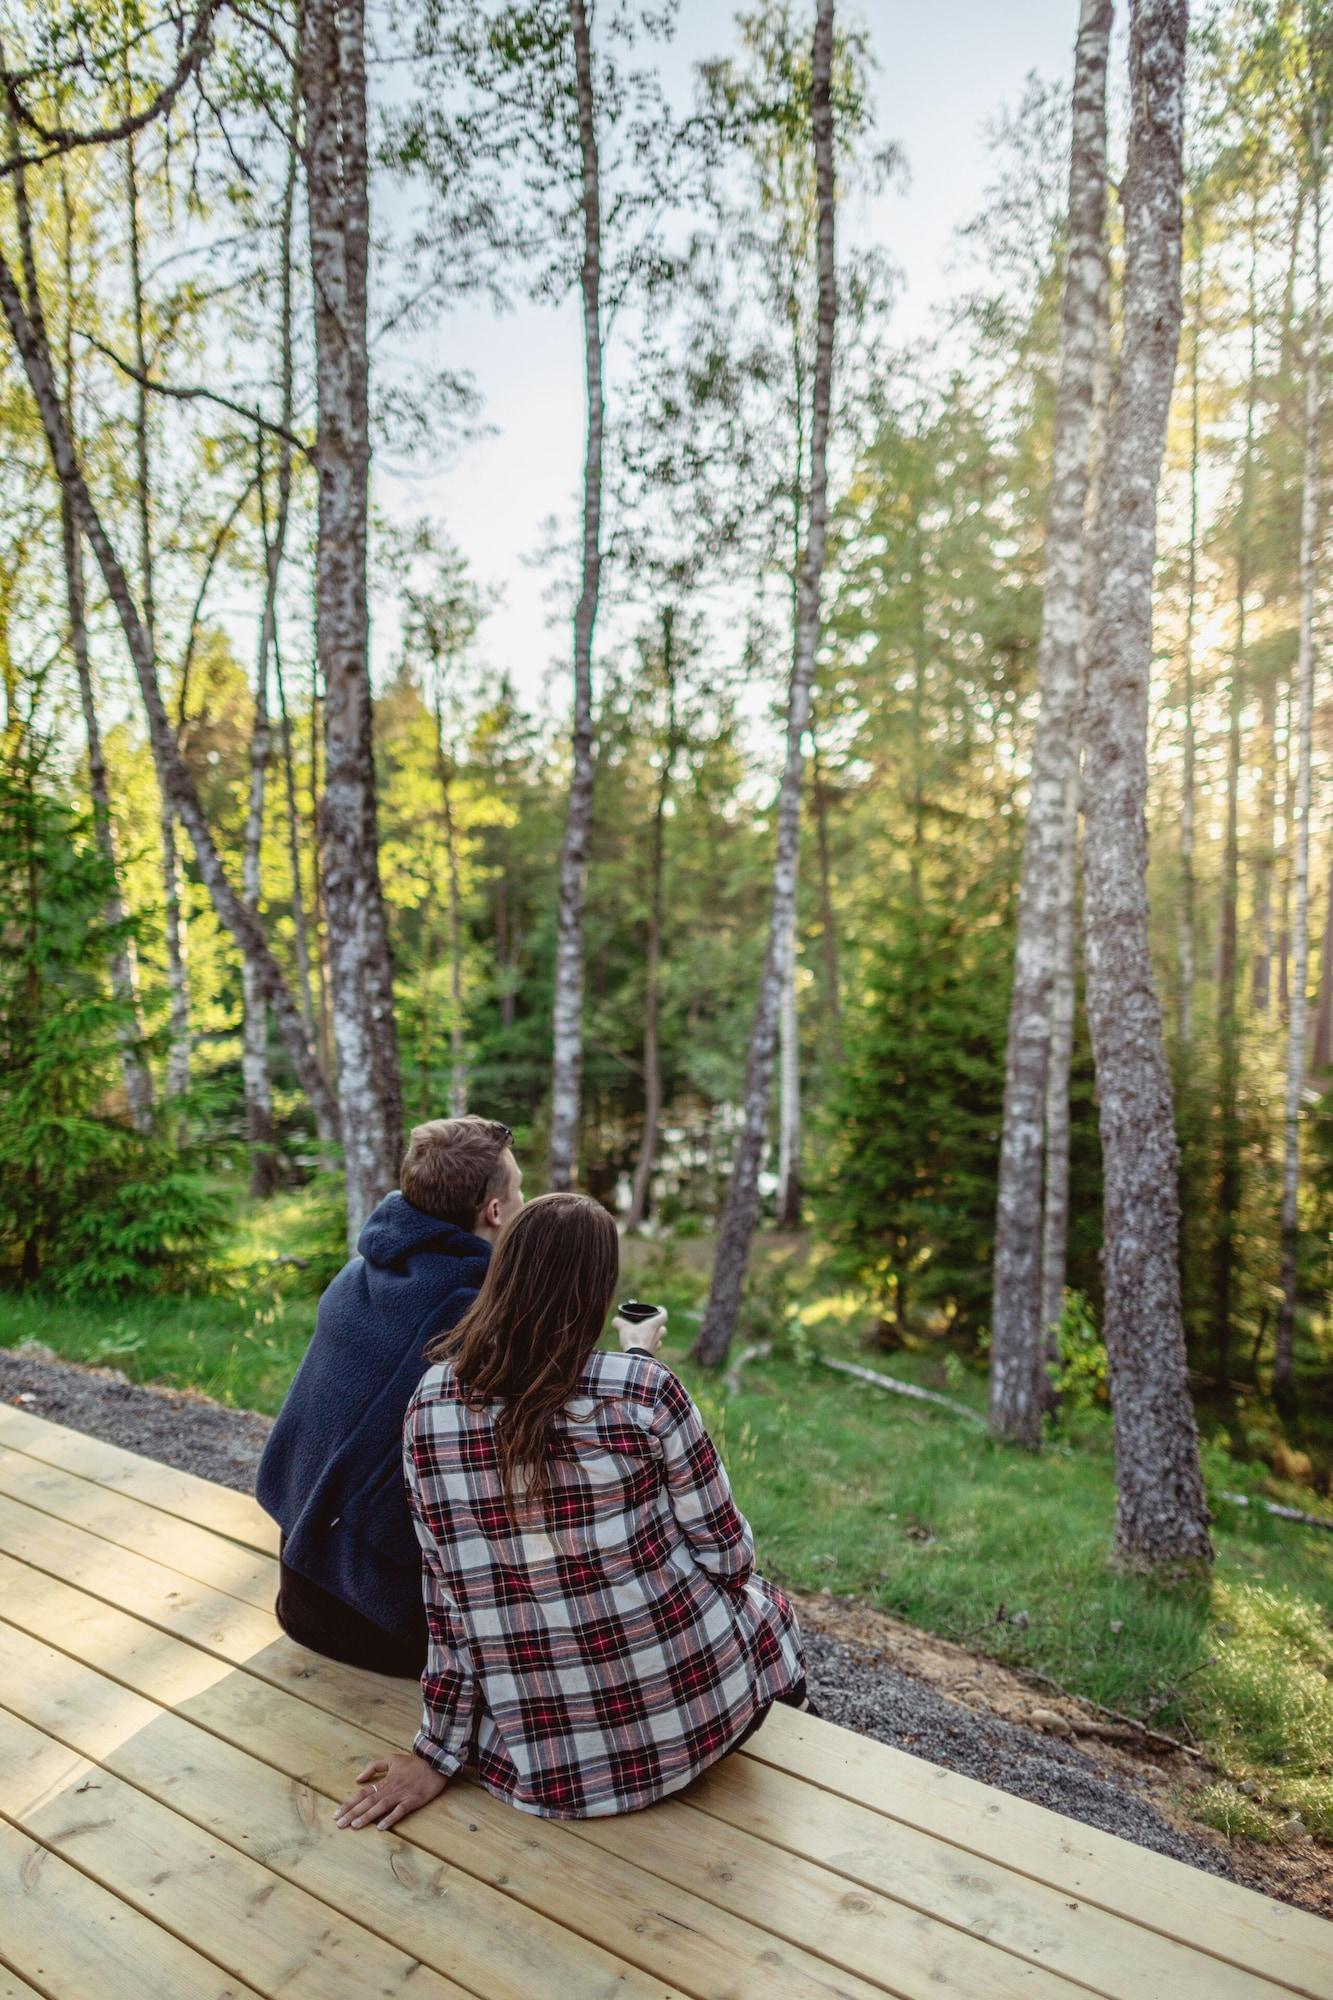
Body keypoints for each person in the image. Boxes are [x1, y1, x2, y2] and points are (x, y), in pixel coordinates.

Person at [335, 1191, 812, 1831]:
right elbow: (730, 1557)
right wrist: (638, 1360)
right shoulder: (645, 1391)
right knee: (768, 1605)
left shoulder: (431, 1405)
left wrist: (436, 1753)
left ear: (502, 1275)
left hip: (545, 1774)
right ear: (597, 1292)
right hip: (693, 1727)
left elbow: (449, 1602)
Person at [256, 1115, 524, 1674]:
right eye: (519, 1191)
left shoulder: (360, 1273)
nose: (525, 1201)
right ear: (494, 1212)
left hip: (302, 1588)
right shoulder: (473, 1316)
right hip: (383, 1626)